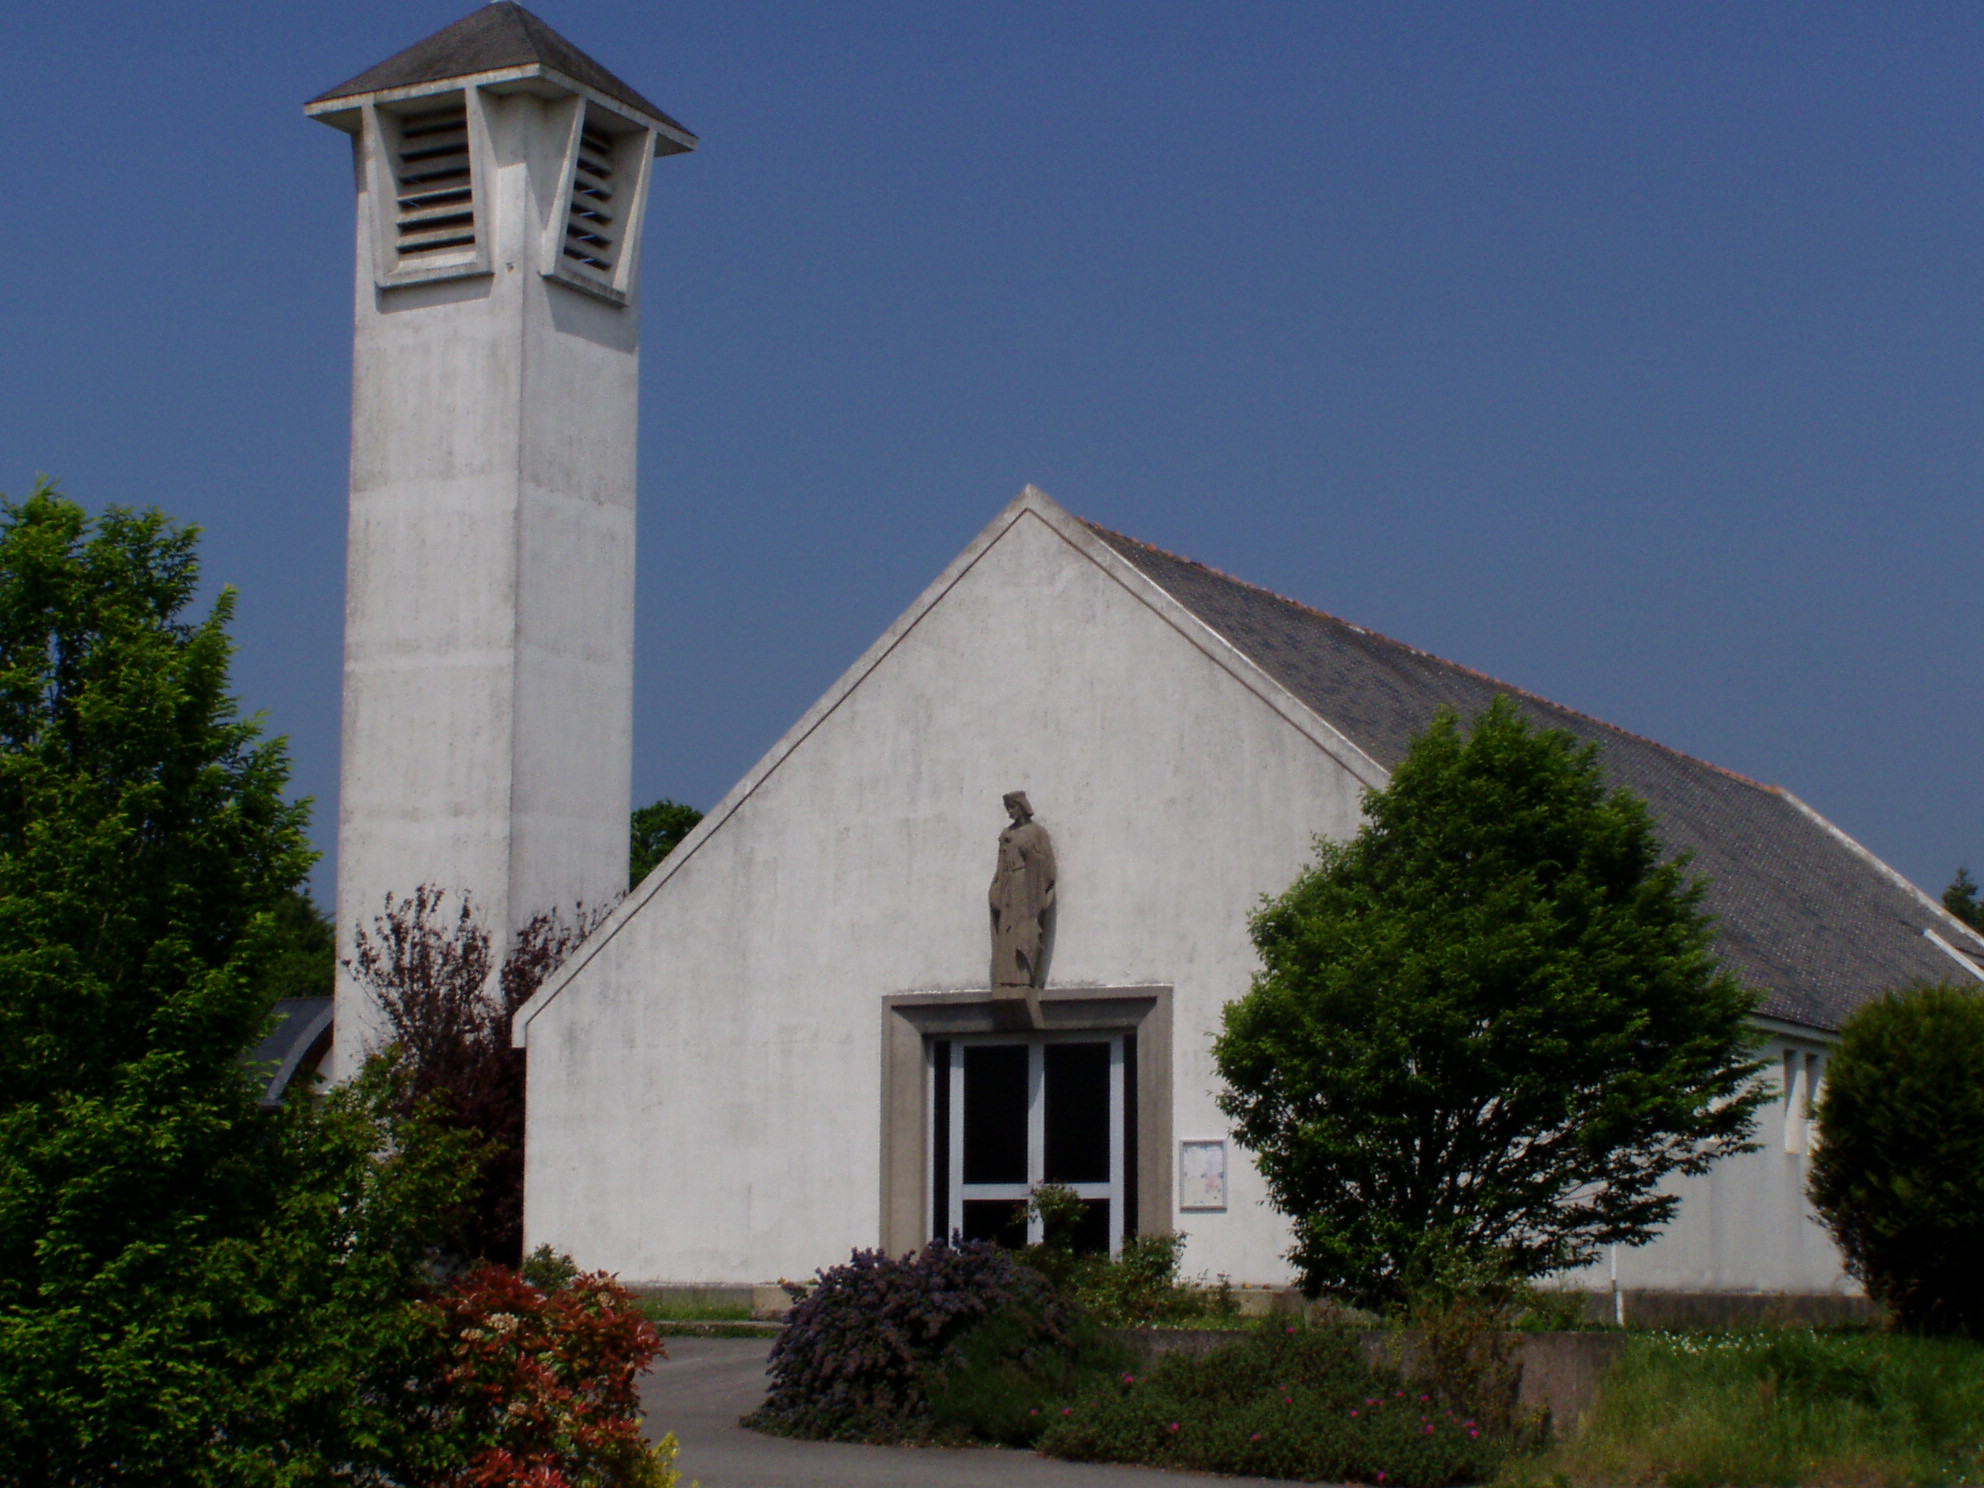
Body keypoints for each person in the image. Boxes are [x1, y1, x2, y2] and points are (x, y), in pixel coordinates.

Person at [989, 791, 1055, 988]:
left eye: (1013, 807)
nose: (1010, 812)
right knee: (1007, 932)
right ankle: (1007, 977)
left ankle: (1024, 976)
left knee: (1024, 931)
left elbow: (1047, 867)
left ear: (1022, 806)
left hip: (1027, 888)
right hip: (1009, 888)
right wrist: (996, 889)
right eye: (1007, 808)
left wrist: (1031, 855)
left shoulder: (1036, 832)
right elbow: (1000, 867)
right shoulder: (1006, 834)